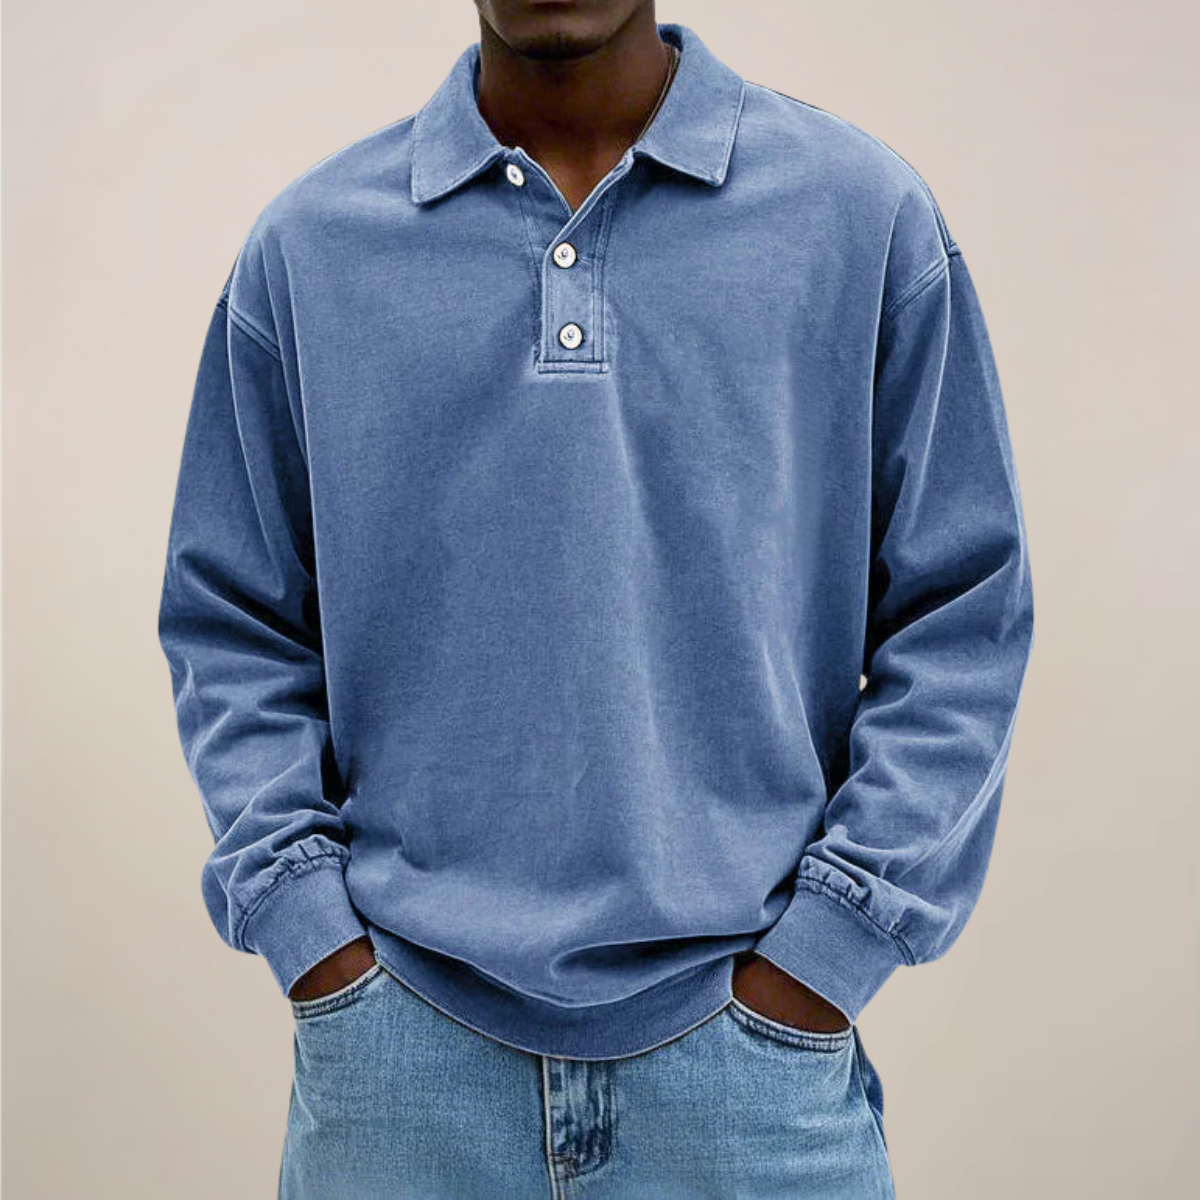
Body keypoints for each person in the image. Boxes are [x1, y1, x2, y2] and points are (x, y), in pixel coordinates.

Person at [157, 2, 1035, 1195]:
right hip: (398, 1078)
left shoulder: (860, 218)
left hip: (752, 1088)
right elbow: (232, 623)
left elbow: (964, 612)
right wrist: (314, 939)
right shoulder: (309, 250)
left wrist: (830, 954)